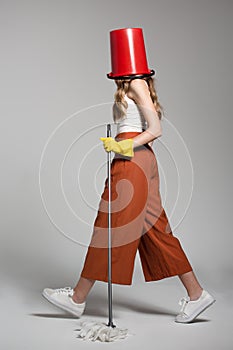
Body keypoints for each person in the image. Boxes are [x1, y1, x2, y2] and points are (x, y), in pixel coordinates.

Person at [42, 28, 216, 323]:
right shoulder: (134, 84)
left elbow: (156, 129)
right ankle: (197, 295)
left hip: (133, 161)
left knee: (109, 226)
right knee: (156, 231)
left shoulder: (136, 83)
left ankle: (77, 298)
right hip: (142, 161)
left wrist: (123, 145)